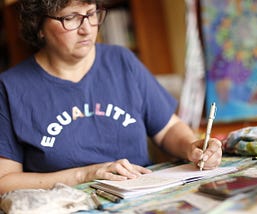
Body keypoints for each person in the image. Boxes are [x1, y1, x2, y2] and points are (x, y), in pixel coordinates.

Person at [0, 0, 222, 194]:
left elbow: (168, 129)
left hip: (142, 195)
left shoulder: (122, 61)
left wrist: (192, 147)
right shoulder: (10, 88)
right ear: (39, 25)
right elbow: (5, 182)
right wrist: (87, 174)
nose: (87, 29)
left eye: (91, 13)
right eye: (71, 18)